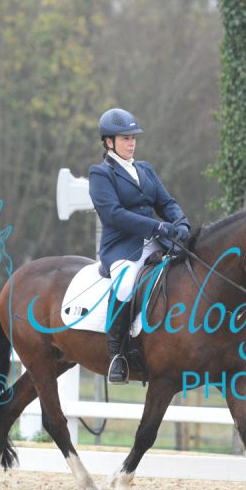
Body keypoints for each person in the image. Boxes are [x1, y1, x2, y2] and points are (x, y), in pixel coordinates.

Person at [88, 107, 191, 384]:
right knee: (124, 284)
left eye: (133, 138)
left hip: (156, 243)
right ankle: (117, 355)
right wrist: (156, 226)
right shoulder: (101, 174)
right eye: (125, 138)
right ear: (109, 142)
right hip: (122, 248)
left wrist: (181, 223)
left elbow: (166, 203)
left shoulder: (144, 169)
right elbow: (113, 214)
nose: (132, 143)